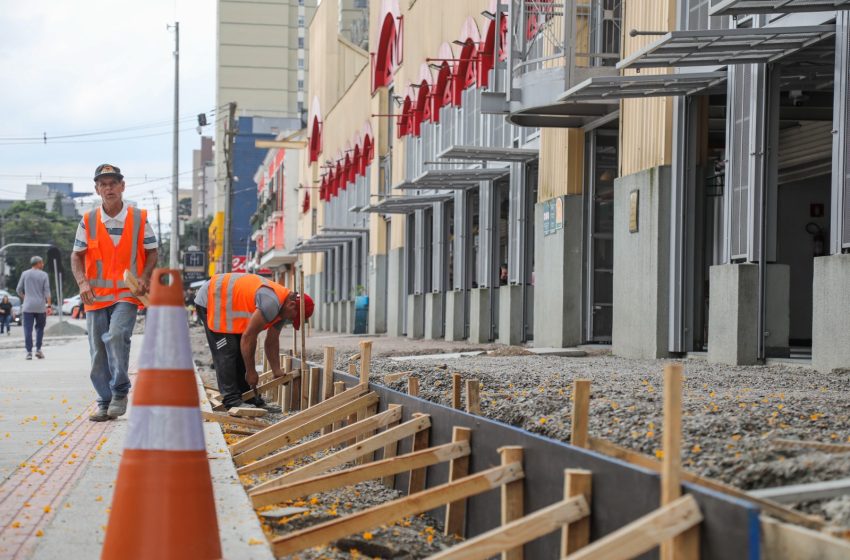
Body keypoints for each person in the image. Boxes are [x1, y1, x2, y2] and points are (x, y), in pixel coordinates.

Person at [71, 164, 158, 422]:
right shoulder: (88, 221)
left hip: (127, 292)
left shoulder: (139, 218)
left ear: (122, 186)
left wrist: (143, 277)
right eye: (103, 184)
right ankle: (104, 401)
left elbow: (152, 251)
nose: (108, 188)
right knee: (98, 351)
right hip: (95, 296)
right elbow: (76, 256)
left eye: (113, 183)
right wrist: (83, 283)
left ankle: (119, 391)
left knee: (117, 335)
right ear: (97, 189)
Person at [194, 273, 314, 411]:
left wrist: (276, 370)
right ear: (292, 305)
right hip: (211, 299)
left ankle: (248, 397)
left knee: (240, 350)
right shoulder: (272, 303)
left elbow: (272, 341)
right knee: (228, 349)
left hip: (227, 305)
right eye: (294, 318)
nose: (291, 321)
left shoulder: (283, 309)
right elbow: (248, 337)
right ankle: (231, 399)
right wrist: (251, 372)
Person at [17, 256, 51, 359]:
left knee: (28, 329)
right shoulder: (44, 275)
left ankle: (28, 352)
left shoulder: (25, 274)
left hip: (27, 306)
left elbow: (18, 289)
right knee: (40, 328)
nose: (43, 264)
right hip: (40, 307)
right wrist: (49, 305)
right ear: (38, 263)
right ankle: (38, 350)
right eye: (42, 263)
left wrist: (25, 297)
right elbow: (47, 291)